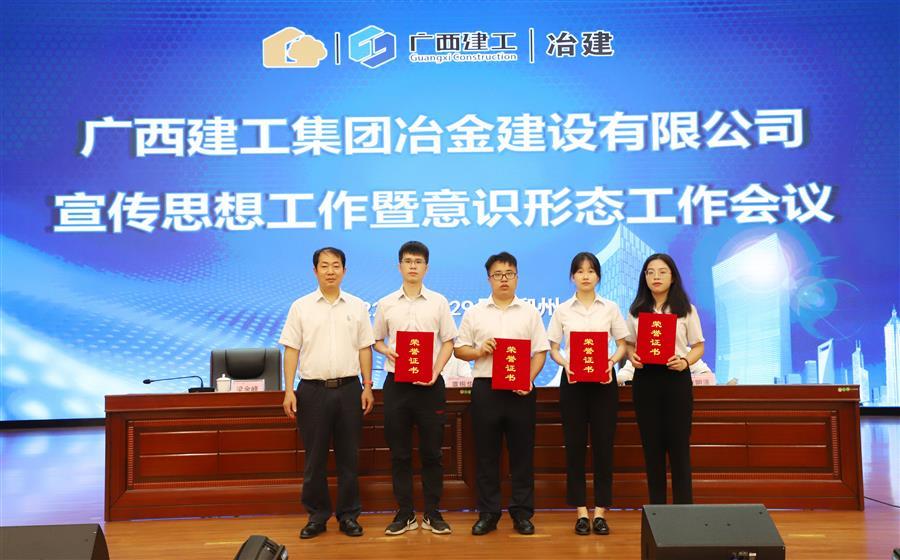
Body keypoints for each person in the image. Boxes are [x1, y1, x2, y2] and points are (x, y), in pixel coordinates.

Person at [280, 247, 375, 539]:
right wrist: (288, 390)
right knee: (315, 459)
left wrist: (367, 386)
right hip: (312, 391)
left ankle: (349, 516)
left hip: (349, 390)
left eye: (336, 265)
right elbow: (291, 349)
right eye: (324, 266)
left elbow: (365, 348)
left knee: (349, 458)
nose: (330, 271)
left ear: (344, 271)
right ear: (315, 271)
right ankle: (317, 516)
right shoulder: (301, 307)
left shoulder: (357, 306)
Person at [454, 251, 549, 536]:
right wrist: (479, 350)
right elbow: (459, 350)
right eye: (497, 274)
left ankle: (522, 513)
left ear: (517, 277)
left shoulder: (530, 312)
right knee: (486, 455)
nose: (503, 279)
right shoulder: (475, 312)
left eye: (509, 273)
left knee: (522, 454)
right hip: (486, 389)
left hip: (521, 391)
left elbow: (540, 351)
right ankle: (488, 513)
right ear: (489, 279)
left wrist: (528, 379)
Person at [373, 241, 457, 536]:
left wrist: (435, 371)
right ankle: (405, 512)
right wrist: (387, 351)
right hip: (397, 385)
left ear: (426, 268)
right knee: (400, 453)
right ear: (399, 266)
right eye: (408, 261)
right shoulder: (386, 303)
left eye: (418, 262)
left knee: (432, 452)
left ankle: (433, 512)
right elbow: (376, 340)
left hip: (430, 386)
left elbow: (449, 341)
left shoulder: (439, 302)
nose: (412, 266)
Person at [547, 252, 628, 536]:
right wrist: (565, 363)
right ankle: (581, 511)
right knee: (575, 446)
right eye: (580, 271)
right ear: (572, 276)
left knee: (604, 446)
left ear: (598, 276)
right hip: (573, 382)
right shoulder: (562, 310)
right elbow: (553, 347)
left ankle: (601, 512)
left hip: (604, 382)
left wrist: (611, 361)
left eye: (591, 271)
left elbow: (622, 343)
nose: (585, 276)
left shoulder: (610, 308)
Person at [624, 253, 705, 505]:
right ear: (644, 278)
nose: (656, 277)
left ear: (673, 277)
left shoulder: (686, 310)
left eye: (662, 272)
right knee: (652, 449)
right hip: (645, 380)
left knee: (679, 448)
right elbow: (629, 344)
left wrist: (685, 362)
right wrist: (632, 357)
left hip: (676, 378)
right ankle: (657, 512)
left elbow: (698, 346)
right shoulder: (636, 311)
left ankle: (684, 511)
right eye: (650, 272)